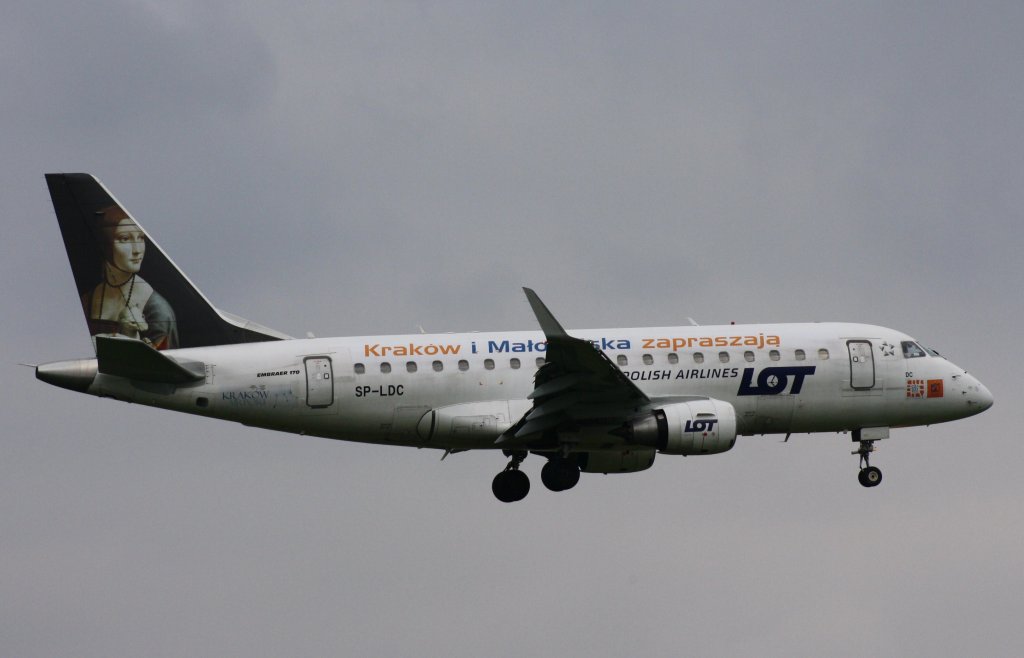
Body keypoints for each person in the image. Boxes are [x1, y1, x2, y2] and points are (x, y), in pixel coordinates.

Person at [81, 205, 179, 349]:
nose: (137, 250)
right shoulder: (88, 301)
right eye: (125, 239)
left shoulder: (157, 311)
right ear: (105, 243)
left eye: (140, 238)